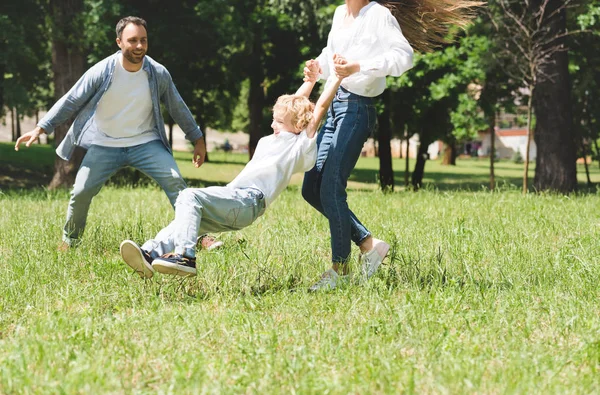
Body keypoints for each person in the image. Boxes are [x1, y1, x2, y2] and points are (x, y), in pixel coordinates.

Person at [302, 0, 482, 290]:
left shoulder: (379, 15)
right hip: (333, 106)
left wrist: (359, 67)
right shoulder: (339, 14)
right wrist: (317, 66)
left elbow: (403, 57)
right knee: (311, 188)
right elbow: (331, 54)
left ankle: (340, 269)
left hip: (356, 108)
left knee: (330, 186)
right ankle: (369, 244)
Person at [119, 58, 345, 279]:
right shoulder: (276, 137)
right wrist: (312, 80)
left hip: (248, 200)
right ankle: (149, 253)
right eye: (274, 119)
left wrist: (336, 78)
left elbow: (318, 109)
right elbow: (296, 104)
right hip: (236, 200)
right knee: (186, 218)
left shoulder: (298, 145)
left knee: (189, 196)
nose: (272, 124)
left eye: (278, 121)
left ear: (296, 126)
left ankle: (185, 257)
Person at [14, 16, 206, 249]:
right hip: (105, 144)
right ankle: (70, 241)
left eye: (143, 40)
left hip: (146, 142)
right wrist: (41, 127)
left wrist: (197, 138)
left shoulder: (157, 73)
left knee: (177, 184)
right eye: (132, 40)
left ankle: (198, 237)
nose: (139, 46)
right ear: (119, 42)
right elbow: (72, 100)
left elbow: (177, 106)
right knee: (81, 192)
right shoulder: (103, 70)